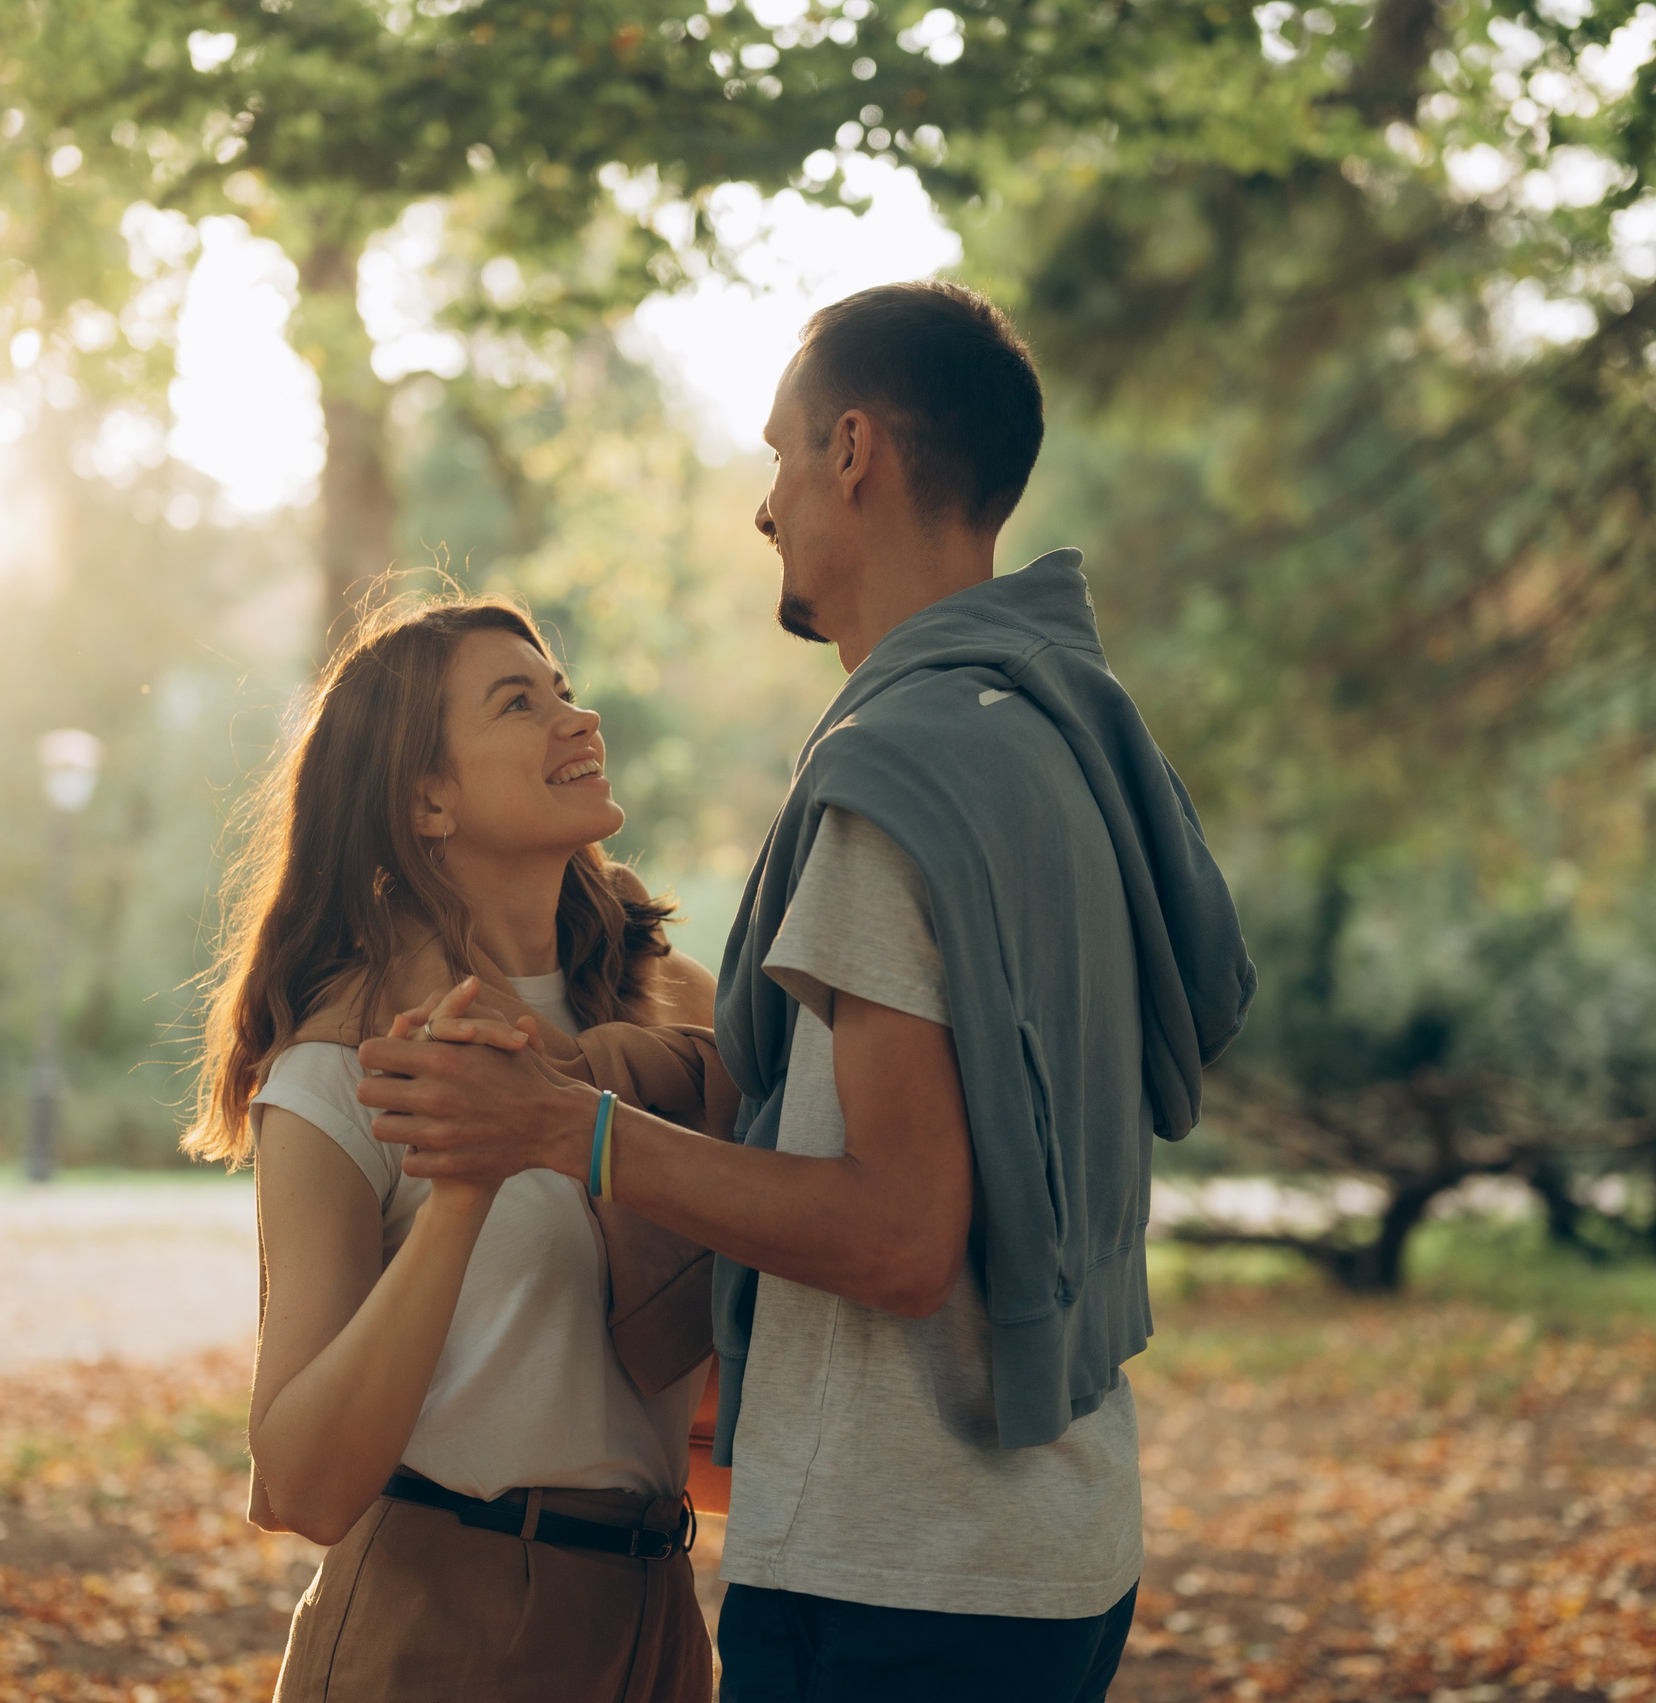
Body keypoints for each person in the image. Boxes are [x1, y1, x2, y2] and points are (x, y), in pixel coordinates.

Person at [357, 281, 1256, 1703]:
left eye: (779, 456)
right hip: (1061, 1540)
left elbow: (902, 1232)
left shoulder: (899, 781)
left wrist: (563, 1130)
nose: (765, 507)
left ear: (852, 450)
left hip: (898, 1579)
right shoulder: (1057, 735)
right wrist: (588, 1067)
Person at [183, 600, 721, 1703]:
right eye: (519, 702)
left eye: (563, 688)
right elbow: (300, 1481)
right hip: (445, 1623)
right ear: (427, 798)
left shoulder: (670, 1011)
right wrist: (461, 1195)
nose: (579, 718)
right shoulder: (346, 1062)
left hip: (658, 1618)